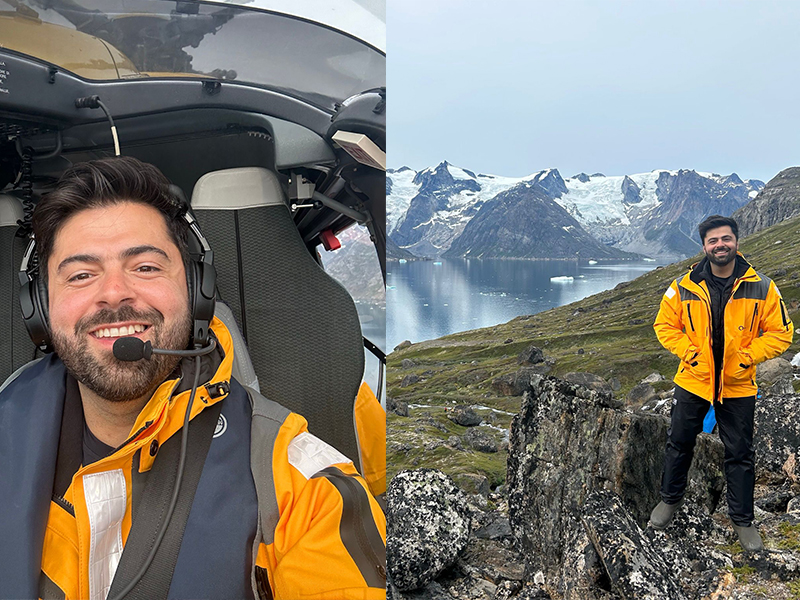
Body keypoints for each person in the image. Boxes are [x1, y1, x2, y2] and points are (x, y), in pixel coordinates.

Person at [0, 157, 386, 599]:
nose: (112, 294)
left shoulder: (304, 487)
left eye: (145, 267)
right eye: (81, 275)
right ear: (40, 308)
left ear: (197, 291)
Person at [650, 215, 793, 551]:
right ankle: (669, 500)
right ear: (704, 247)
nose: (720, 245)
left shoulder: (762, 286)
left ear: (736, 242)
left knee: (740, 453)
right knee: (679, 442)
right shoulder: (684, 286)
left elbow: (781, 332)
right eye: (713, 241)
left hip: (738, 384)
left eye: (725, 239)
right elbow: (664, 325)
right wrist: (691, 353)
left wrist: (747, 356)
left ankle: (743, 521)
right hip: (694, 380)